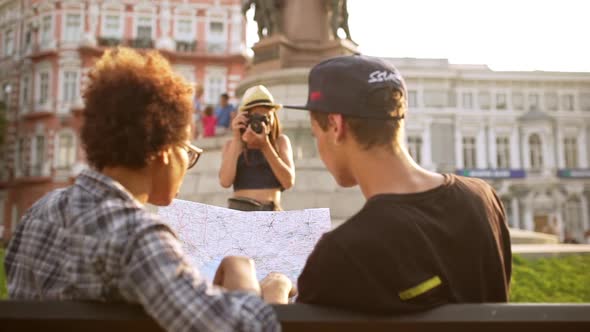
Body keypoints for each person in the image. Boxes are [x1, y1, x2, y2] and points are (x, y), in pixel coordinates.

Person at [3, 48, 294, 331]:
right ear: (165, 151)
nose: (187, 163)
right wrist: (251, 278)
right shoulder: (138, 237)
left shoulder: (37, 214)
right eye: (188, 151)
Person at [279, 55, 511, 313]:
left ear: (335, 125)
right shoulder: (483, 198)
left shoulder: (343, 252)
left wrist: (273, 294)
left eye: (315, 135)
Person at [219, 85, 295, 211]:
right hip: (240, 212)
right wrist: (237, 139)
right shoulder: (232, 144)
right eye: (257, 117)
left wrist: (266, 146)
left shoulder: (280, 142)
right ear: (245, 118)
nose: (262, 122)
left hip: (271, 213)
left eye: (267, 117)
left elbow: (288, 182)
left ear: (274, 117)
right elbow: (225, 182)